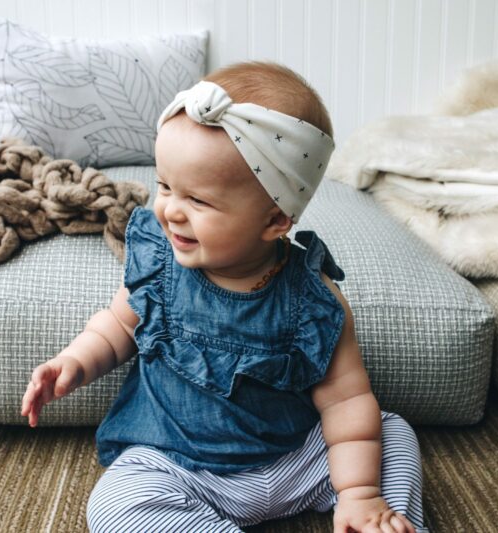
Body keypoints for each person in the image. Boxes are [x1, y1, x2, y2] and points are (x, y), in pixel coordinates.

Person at [21, 61, 427, 533]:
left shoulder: (314, 300)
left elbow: (346, 403)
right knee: (115, 502)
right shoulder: (159, 265)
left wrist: (359, 493)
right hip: (182, 468)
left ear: (275, 221)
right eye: (166, 186)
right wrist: (73, 362)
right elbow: (115, 329)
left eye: (199, 201)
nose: (171, 210)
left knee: (392, 434)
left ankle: (371, 522)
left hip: (297, 461)